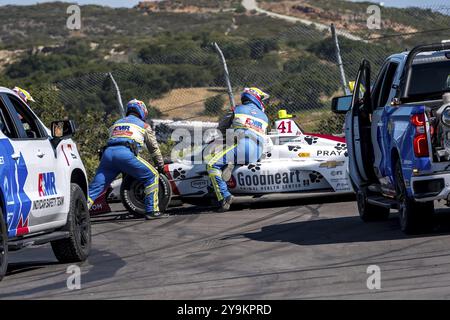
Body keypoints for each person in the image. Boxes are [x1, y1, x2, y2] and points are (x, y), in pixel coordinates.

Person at [88, 99, 166, 220]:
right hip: (125, 154)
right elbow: (154, 149)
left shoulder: (116, 123)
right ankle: (152, 210)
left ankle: (78, 214)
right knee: (152, 175)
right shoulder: (144, 125)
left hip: (107, 155)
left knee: (95, 187)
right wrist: (160, 165)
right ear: (142, 111)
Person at [208, 87, 270, 212]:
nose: (263, 102)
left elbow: (221, 128)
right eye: (262, 99)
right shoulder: (264, 117)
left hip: (243, 146)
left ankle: (225, 197)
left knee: (212, 165)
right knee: (234, 153)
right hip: (258, 152)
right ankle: (231, 166)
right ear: (256, 97)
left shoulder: (236, 109)